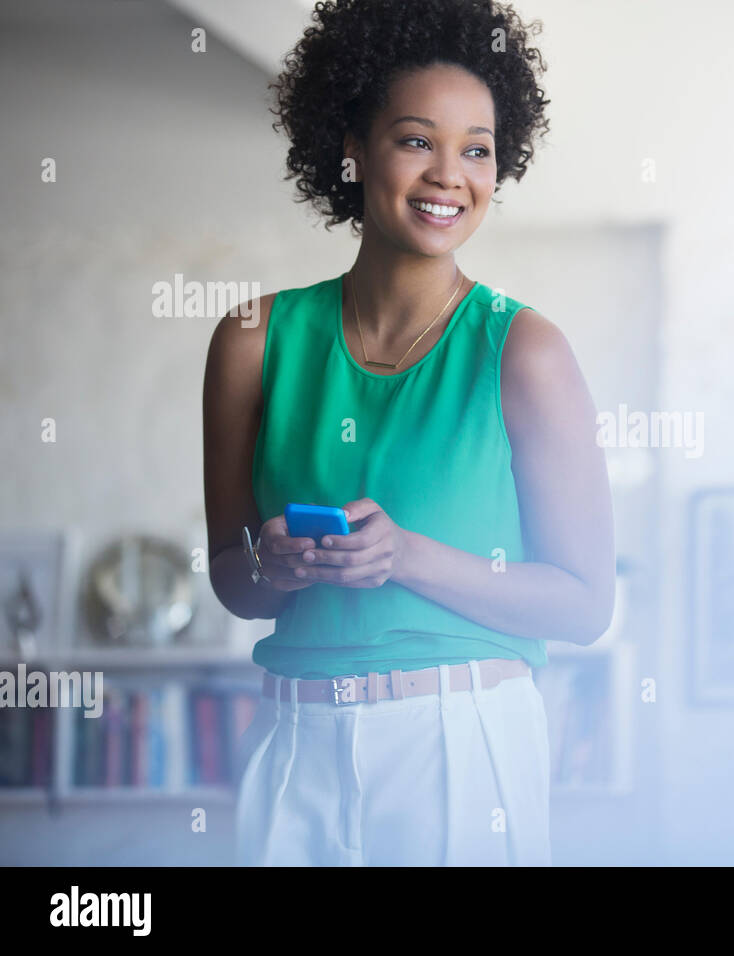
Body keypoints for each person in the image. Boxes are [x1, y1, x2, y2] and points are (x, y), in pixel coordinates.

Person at [201, 0, 615, 866]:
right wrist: (274, 564)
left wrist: (407, 557)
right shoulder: (250, 340)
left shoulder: (523, 350)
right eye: (417, 140)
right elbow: (237, 583)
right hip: (295, 741)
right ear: (352, 144)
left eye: (478, 150)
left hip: (460, 741)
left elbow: (584, 602)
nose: (449, 176)